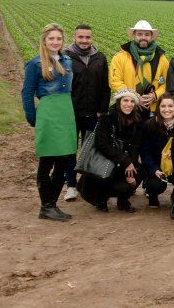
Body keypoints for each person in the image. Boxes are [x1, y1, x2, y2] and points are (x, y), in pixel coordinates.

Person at [22, 23, 77, 221]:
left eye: (59, 39)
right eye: (51, 38)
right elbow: (27, 93)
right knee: (47, 161)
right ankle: (46, 206)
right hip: (48, 113)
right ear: (44, 40)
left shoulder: (67, 61)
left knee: (64, 160)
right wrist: (33, 118)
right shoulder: (35, 64)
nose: (55, 42)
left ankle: (52, 205)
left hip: (65, 113)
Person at [63, 24, 110, 202]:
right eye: (81, 37)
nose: (84, 41)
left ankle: (87, 184)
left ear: (92, 38)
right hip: (72, 113)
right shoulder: (66, 57)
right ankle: (71, 185)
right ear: (74, 37)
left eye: (87, 37)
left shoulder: (100, 58)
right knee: (70, 150)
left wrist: (102, 110)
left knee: (91, 149)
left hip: (93, 113)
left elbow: (105, 87)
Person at [82, 88, 146, 213]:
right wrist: (124, 161)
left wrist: (130, 168)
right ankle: (101, 198)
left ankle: (123, 200)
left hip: (124, 159)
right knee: (107, 173)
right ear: (119, 101)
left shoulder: (137, 121)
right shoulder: (107, 117)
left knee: (140, 171)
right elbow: (102, 144)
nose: (129, 104)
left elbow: (135, 147)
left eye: (132, 101)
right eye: (125, 100)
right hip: (106, 159)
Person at [109, 20, 169, 115]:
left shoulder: (161, 58)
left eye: (147, 34)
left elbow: (167, 82)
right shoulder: (120, 57)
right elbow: (115, 81)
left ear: (151, 36)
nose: (143, 37)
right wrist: (134, 98)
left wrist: (155, 96)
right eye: (139, 34)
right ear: (134, 35)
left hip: (152, 110)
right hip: (128, 109)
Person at [139, 92, 174, 208]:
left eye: (170, 106)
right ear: (158, 108)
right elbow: (145, 152)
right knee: (154, 185)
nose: (166, 109)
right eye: (163, 106)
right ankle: (152, 196)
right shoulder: (149, 125)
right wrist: (154, 169)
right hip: (157, 166)